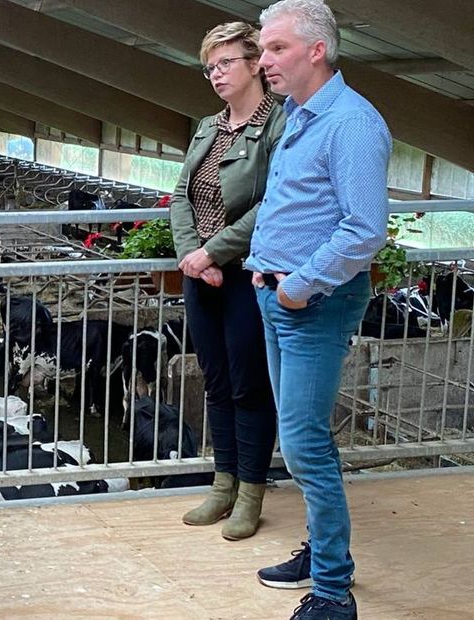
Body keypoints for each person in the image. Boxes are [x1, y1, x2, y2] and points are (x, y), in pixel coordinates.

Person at [245, 1, 391, 618]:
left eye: (275, 49)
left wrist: (296, 285)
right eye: (262, 48)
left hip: (314, 303)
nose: (263, 61)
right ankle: (319, 547)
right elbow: (295, 205)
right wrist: (265, 268)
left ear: (317, 51)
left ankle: (333, 590)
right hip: (280, 297)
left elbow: (364, 231)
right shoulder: (298, 114)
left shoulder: (353, 124)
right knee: (300, 435)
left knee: (305, 444)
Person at [169, 22, 285, 541]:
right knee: (215, 379)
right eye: (209, 66)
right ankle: (223, 483)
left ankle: (251, 492)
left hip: (248, 272)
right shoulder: (206, 127)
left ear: (256, 63)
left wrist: (214, 251)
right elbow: (179, 195)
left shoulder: (279, 125)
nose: (216, 74)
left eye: (226, 63)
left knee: (249, 384)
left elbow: (274, 203)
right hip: (203, 274)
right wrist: (193, 257)